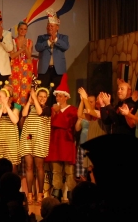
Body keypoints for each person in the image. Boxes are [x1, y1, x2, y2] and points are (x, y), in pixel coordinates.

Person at [46, 74, 78, 202]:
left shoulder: (73, 110)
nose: (58, 98)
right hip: (55, 142)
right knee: (56, 170)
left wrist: (58, 113)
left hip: (67, 142)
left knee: (69, 171)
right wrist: (55, 112)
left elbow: (69, 124)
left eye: (60, 96)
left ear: (66, 97)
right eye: (57, 96)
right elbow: (50, 123)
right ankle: (57, 193)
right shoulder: (53, 110)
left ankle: (71, 194)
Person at [19, 88, 51, 205]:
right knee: (29, 167)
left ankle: (40, 193)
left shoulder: (47, 109)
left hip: (40, 139)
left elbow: (39, 112)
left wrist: (35, 98)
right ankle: (29, 194)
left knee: (39, 167)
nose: (42, 98)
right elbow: (23, 114)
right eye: (40, 96)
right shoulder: (31, 107)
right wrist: (29, 101)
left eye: (44, 97)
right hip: (28, 138)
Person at [35, 9, 69, 106]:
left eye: (52, 26)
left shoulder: (63, 37)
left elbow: (65, 47)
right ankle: (43, 109)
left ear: (57, 27)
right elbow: (38, 47)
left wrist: (56, 40)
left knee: (57, 91)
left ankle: (56, 110)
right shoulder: (42, 38)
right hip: (44, 69)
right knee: (43, 90)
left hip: (58, 70)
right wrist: (48, 42)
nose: (50, 28)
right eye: (48, 26)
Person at [75, 88, 106, 182]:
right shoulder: (92, 115)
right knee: (90, 169)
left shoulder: (102, 113)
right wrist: (82, 101)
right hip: (91, 144)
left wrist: (85, 98)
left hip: (99, 144)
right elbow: (80, 115)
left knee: (95, 170)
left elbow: (89, 110)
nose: (97, 101)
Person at [0, 87, 20, 176]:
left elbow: (15, 120)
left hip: (11, 144)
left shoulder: (14, 109)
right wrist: (1, 109)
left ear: (7, 98)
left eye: (0, 96)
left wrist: (6, 106)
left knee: (12, 170)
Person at [9, 21, 34, 106]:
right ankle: (14, 107)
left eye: (25, 29)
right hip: (15, 66)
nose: (23, 31)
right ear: (18, 29)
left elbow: (29, 56)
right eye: (21, 29)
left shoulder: (29, 42)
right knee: (15, 89)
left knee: (25, 89)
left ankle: (23, 109)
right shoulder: (13, 41)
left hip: (26, 67)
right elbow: (12, 56)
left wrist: (25, 49)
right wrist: (21, 50)